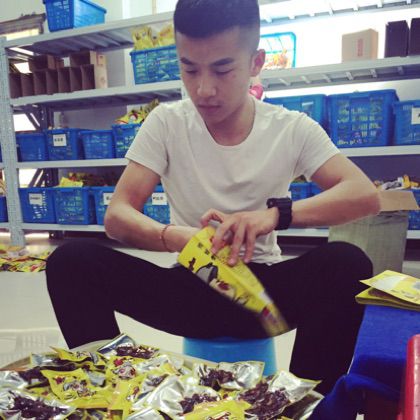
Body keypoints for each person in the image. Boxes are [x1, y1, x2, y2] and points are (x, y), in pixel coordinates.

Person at [46, 0, 380, 395]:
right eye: (190, 69)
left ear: (256, 62)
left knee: (347, 265)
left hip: (265, 296)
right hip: (192, 290)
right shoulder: (167, 122)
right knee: (70, 263)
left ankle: (308, 407)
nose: (204, 89)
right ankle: (108, 395)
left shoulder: (291, 128)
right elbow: (117, 215)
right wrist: (175, 237)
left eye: (222, 69)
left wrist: (273, 216)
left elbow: (364, 195)